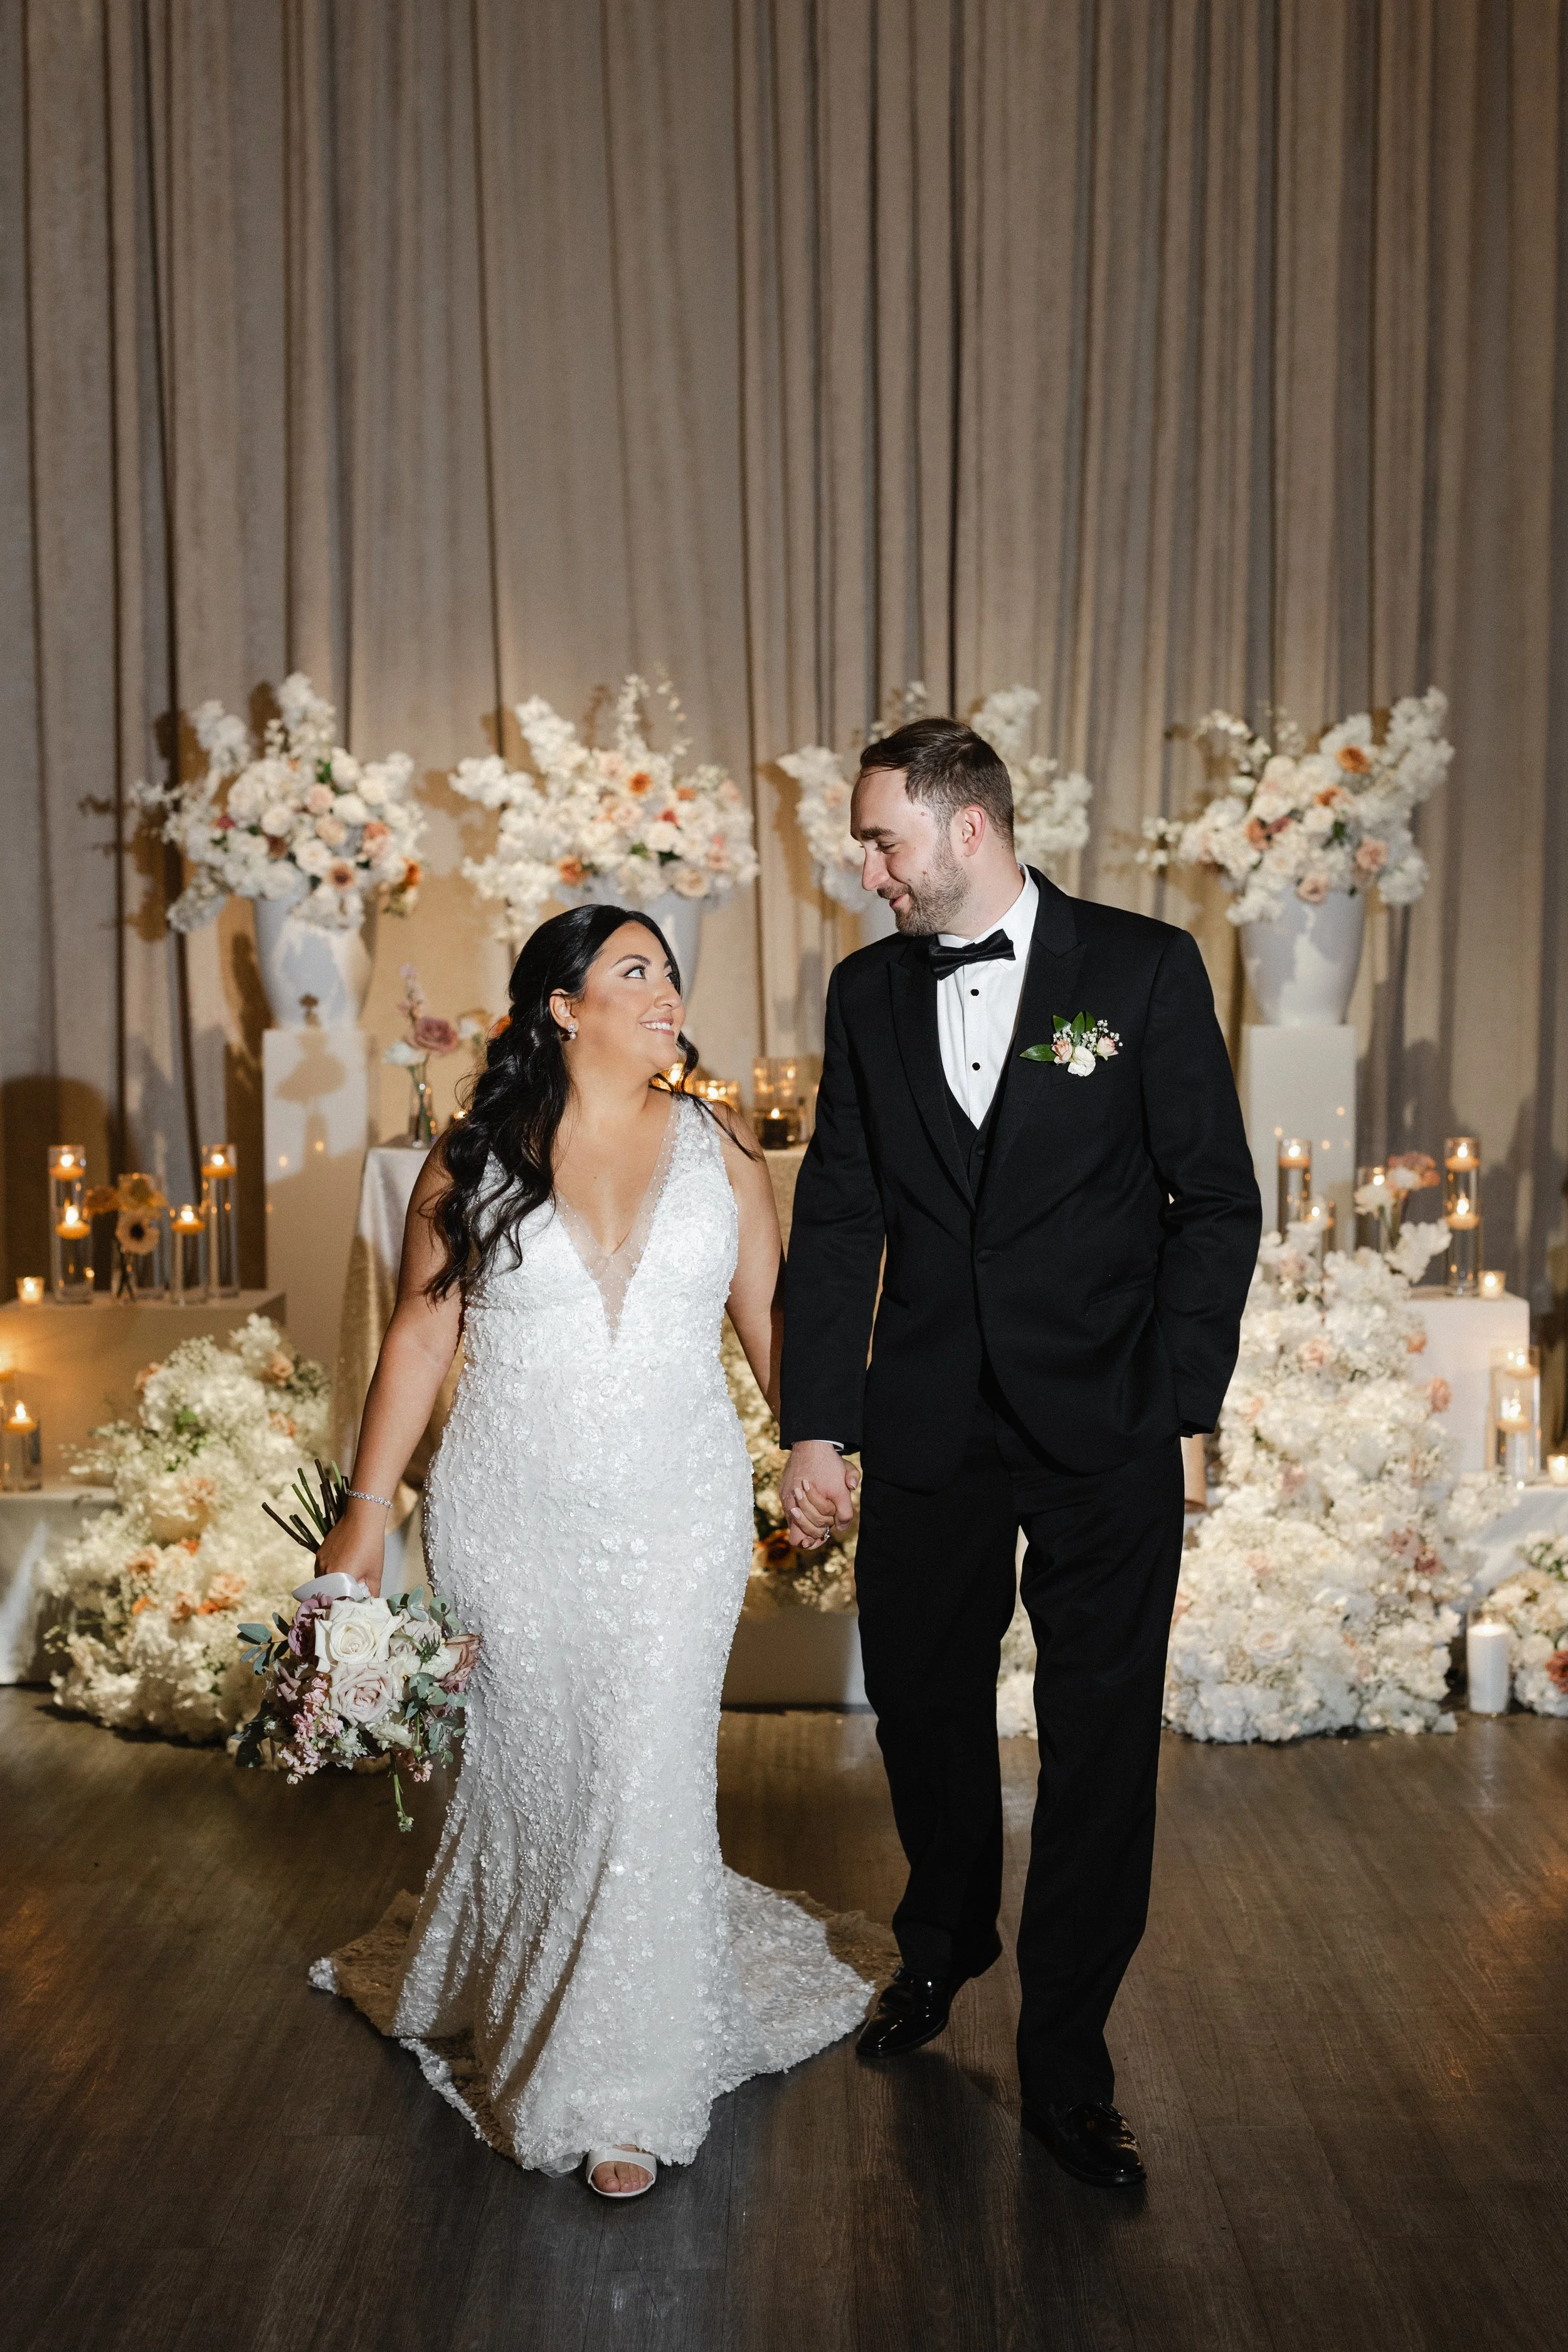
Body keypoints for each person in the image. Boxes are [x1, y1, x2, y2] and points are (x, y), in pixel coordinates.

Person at [312, 904, 868, 2199]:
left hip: (671, 1516)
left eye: (669, 972)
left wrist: (815, 1445)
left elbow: (767, 1324)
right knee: (541, 1774)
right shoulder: (474, 1157)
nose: (665, 991)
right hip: (510, 1516)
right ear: (560, 1005)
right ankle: (519, 1979)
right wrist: (361, 1517)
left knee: (642, 1766)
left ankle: (621, 2088)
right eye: (633, 971)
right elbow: (418, 1342)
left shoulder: (718, 1145)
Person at [779, 718, 1260, 2190]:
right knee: (922, 1705)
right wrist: (816, 1417)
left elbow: (1214, 1202)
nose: (865, 869)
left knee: (1100, 1744)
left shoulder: (1139, 969)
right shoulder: (863, 993)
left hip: (1101, 1425)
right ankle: (941, 1942)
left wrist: (1170, 1397)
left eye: (882, 842)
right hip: (927, 1418)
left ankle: (1065, 2061)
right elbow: (841, 1211)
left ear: (966, 829)